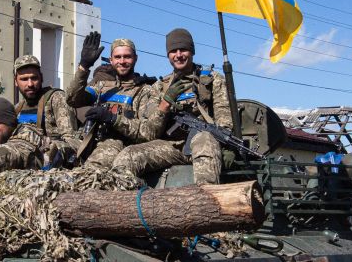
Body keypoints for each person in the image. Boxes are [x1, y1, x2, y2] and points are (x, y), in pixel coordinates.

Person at [112, 28, 232, 184]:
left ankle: (206, 200)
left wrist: (227, 147)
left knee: (205, 139)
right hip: (171, 146)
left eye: (184, 50)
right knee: (127, 156)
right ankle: (130, 202)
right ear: (168, 54)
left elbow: (224, 117)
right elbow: (150, 132)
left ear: (192, 51)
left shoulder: (212, 79)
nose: (179, 55)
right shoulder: (160, 87)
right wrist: (165, 104)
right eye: (173, 51)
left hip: (203, 143)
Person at [66, 32, 165, 167]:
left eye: (127, 57)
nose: (122, 61)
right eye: (117, 57)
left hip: (117, 144)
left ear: (135, 58)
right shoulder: (101, 87)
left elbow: (147, 132)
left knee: (91, 170)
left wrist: (113, 119)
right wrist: (84, 66)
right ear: (111, 60)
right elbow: (72, 99)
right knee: (58, 150)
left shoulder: (146, 91)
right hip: (87, 139)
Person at [12, 54, 79, 162]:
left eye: (34, 78)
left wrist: (52, 148)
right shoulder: (17, 109)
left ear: (41, 78)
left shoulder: (56, 98)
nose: (30, 84)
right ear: (16, 82)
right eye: (24, 79)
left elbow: (72, 141)